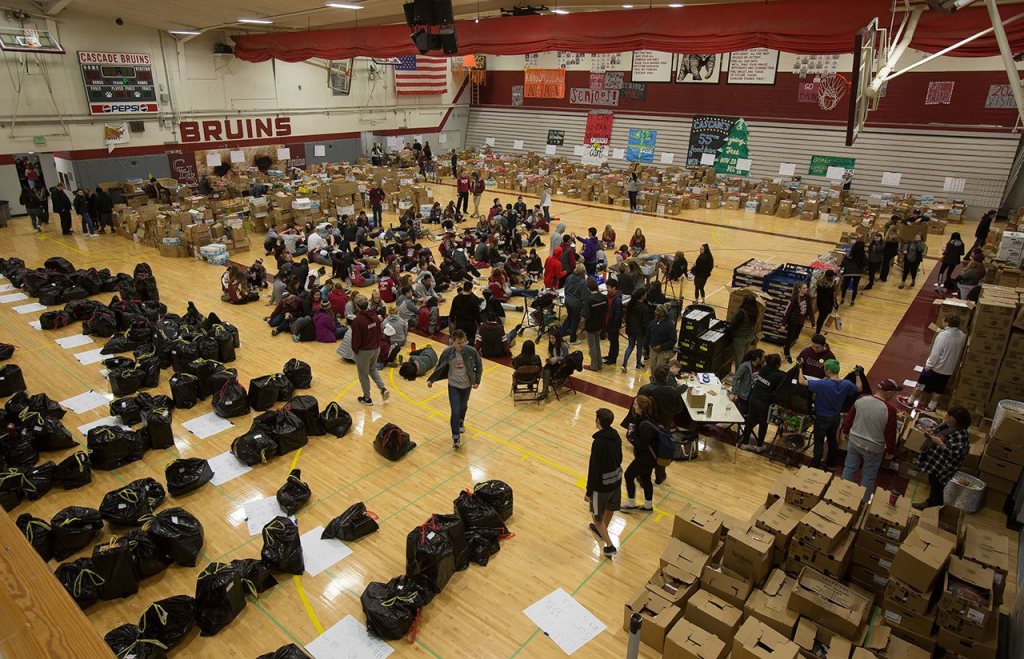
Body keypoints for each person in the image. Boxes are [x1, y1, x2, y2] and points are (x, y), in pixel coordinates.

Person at [842, 379, 902, 501]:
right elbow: (890, 434)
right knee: (868, 476)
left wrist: (845, 431)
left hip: (854, 442)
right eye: (895, 393)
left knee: (849, 469)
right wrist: (891, 451)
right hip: (873, 448)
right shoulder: (889, 410)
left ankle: (842, 494)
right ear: (889, 392)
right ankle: (863, 502)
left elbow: (849, 418)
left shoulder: (861, 400)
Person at [799, 358, 862, 470]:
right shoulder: (846, 384)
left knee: (819, 442)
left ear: (827, 371)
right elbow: (859, 388)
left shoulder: (822, 384)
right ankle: (832, 464)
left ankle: (815, 465)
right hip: (835, 418)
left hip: (822, 417)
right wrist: (857, 374)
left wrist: (799, 368)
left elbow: (802, 382)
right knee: (832, 440)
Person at [427, 329, 483, 449]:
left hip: (467, 385)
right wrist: (432, 379)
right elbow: (439, 365)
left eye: (463, 342)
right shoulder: (447, 352)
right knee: (455, 410)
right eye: (459, 343)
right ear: (452, 341)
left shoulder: (471, 351)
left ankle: (461, 421)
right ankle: (456, 437)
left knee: (463, 406)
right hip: (453, 386)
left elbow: (479, 365)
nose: (461, 345)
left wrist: (477, 381)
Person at [899, 314, 967, 412]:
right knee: (939, 389)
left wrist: (928, 365)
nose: (942, 322)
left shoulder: (943, 336)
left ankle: (909, 401)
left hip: (936, 367)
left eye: (943, 321)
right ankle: (931, 407)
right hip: (949, 369)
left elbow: (936, 353)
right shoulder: (962, 336)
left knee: (921, 384)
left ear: (947, 323)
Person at [914, 406, 973, 509]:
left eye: (950, 416)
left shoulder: (960, 435)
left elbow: (954, 454)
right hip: (936, 462)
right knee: (933, 481)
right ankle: (933, 504)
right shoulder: (947, 425)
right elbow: (937, 432)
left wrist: (940, 444)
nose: (947, 417)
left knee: (937, 486)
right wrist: (930, 434)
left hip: (944, 467)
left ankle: (933, 506)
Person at [585, 408, 623, 557]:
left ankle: (609, 546)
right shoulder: (616, 436)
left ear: (598, 421)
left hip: (602, 486)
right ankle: (602, 530)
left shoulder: (598, 443)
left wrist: (589, 492)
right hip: (616, 480)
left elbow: (594, 469)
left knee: (596, 516)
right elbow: (619, 458)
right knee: (610, 508)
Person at [739, 353, 786, 452]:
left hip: (753, 397)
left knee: (750, 421)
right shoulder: (779, 375)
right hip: (764, 402)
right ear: (778, 364)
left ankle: (745, 443)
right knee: (763, 423)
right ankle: (760, 446)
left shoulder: (763, 369)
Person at [621, 395, 659, 512]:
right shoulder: (647, 418)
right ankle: (648, 506)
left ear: (641, 408)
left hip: (645, 458)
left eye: (635, 404)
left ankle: (631, 504)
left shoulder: (645, 426)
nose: (633, 406)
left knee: (628, 475)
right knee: (646, 478)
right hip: (650, 458)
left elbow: (642, 445)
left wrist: (632, 437)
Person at [351, 295, 390, 406]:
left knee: (363, 374)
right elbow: (379, 331)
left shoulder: (357, 320)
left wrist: (355, 350)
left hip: (364, 351)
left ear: (357, 306)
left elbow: (356, 339)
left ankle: (367, 398)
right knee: (373, 369)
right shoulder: (374, 316)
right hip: (376, 348)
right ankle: (382, 388)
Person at [782, 283, 814, 363]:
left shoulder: (807, 297)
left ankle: (786, 346)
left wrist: (813, 322)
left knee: (795, 337)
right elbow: (788, 310)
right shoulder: (794, 297)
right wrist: (783, 323)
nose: (806, 289)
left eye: (806, 288)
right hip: (793, 321)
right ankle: (787, 353)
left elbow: (810, 309)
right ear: (799, 289)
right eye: (804, 288)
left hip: (801, 321)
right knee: (790, 337)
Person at [622, 288, 650, 373]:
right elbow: (645, 322)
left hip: (631, 329)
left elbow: (627, 318)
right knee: (639, 348)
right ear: (642, 296)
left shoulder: (631, 304)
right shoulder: (645, 308)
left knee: (630, 346)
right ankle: (638, 364)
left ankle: (624, 364)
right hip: (640, 331)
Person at [581, 279, 607, 371]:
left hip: (591, 326)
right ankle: (599, 363)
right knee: (597, 345)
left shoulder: (588, 300)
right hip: (600, 324)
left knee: (592, 347)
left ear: (588, 289)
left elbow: (586, 315)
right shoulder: (604, 297)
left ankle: (594, 366)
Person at [728, 294, 759, 369]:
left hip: (740, 338)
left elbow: (733, 325)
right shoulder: (756, 311)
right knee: (745, 358)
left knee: (739, 359)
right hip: (750, 336)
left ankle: (739, 376)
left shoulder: (742, 312)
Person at [731, 349, 764, 417]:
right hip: (743, 396)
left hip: (754, 396)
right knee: (742, 415)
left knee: (750, 415)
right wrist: (733, 392)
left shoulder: (762, 367)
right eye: (763, 357)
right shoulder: (745, 366)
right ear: (758, 358)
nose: (764, 359)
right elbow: (735, 378)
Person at [647, 304, 677, 380]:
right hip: (653, 350)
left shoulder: (670, 325)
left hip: (663, 352)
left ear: (663, 313)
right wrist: (645, 347)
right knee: (653, 368)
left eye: (657, 310)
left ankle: (660, 385)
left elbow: (673, 340)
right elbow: (648, 335)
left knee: (660, 371)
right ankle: (653, 384)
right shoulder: (653, 322)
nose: (655, 312)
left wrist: (661, 347)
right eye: (655, 310)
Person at [539, 329, 569, 400]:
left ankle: (545, 391)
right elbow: (552, 355)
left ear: (557, 338)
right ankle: (545, 390)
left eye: (553, 338)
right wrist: (550, 358)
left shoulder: (563, 345)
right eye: (550, 338)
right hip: (555, 363)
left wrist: (557, 359)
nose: (551, 340)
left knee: (547, 368)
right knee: (547, 367)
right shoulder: (552, 345)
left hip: (563, 365)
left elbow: (566, 358)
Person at [449, 281, 482, 346]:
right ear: (471, 289)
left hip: (460, 322)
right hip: (471, 323)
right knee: (471, 338)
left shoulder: (457, 298)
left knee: (458, 339)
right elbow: (477, 313)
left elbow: (452, 311)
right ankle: (469, 352)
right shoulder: (474, 299)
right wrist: (479, 323)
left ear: (463, 288)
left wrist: (452, 321)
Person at [560, 264, 587, 345]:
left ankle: (560, 334)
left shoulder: (569, 277)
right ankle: (573, 339)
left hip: (567, 300)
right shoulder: (583, 282)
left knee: (569, 317)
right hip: (576, 303)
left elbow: (565, 288)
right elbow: (583, 296)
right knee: (575, 320)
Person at [840, 240, 866, 306]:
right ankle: (852, 301)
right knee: (855, 286)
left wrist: (841, 267)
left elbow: (843, 262)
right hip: (858, 273)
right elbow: (865, 264)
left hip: (848, 272)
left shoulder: (849, 254)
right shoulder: (863, 255)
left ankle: (842, 299)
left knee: (845, 285)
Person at [603, 279, 623, 366]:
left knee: (614, 342)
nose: (607, 289)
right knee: (611, 341)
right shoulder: (609, 296)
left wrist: (613, 326)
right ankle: (610, 355)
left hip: (613, 325)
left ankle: (613, 359)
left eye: (608, 288)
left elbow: (618, 315)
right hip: (608, 322)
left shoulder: (617, 300)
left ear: (614, 288)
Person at [813, 270, 838, 335]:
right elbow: (833, 297)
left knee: (820, 318)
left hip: (819, 302)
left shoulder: (819, 282)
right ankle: (817, 332)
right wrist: (836, 305)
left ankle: (817, 331)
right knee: (822, 319)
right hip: (827, 305)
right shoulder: (831, 286)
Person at [880, 217, 901, 283]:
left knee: (885, 264)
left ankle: (883, 277)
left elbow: (886, 242)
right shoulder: (896, 235)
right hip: (892, 252)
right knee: (887, 264)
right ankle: (883, 277)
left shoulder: (890, 236)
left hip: (888, 251)